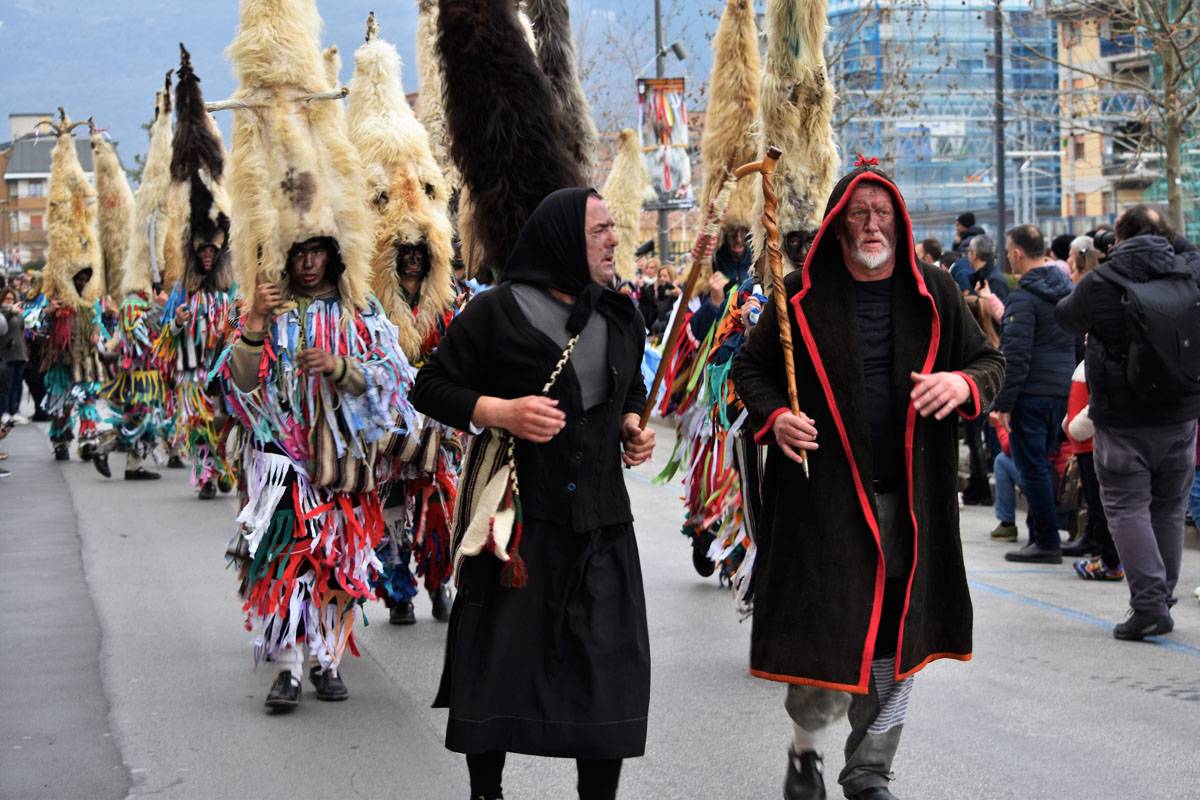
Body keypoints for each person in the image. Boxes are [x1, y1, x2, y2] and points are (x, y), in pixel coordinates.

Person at [731, 162, 1004, 800]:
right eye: (859, 213)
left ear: (901, 222)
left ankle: (869, 770)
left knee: (896, 638)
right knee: (827, 635)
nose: (872, 224)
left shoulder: (935, 292)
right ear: (837, 222)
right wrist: (776, 416)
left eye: (883, 212)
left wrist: (961, 383)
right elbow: (750, 371)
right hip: (823, 501)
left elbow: (990, 362)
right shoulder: (797, 296)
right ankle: (806, 748)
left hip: (909, 500)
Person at [411, 189, 655, 800]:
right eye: (600, 229)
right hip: (519, 528)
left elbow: (629, 388)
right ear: (562, 239)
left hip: (602, 529)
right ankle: (485, 793)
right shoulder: (497, 312)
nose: (613, 240)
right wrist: (500, 410)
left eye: (612, 229)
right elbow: (429, 385)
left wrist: (631, 425)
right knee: (498, 671)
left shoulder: (623, 315)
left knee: (606, 678)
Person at [1055, 205, 1200, 639]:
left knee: (1127, 507)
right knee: (1169, 508)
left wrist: (1110, 259)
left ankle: (1150, 604)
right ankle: (1162, 596)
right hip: (1180, 413)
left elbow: (1066, 316)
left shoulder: (1103, 281)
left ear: (1118, 237)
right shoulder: (1188, 270)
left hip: (1122, 419)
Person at [155, 48, 240, 498]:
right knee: (199, 425)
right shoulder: (183, 295)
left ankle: (223, 470)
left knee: (225, 422)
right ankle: (206, 476)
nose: (207, 256)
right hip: (193, 372)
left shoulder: (227, 294)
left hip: (220, 373)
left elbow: (242, 325)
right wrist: (178, 324)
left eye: (213, 250)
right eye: (201, 250)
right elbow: (165, 335)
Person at [993, 224, 1076, 564]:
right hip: (1063, 391)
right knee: (1046, 464)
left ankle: (1045, 539)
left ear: (1016, 253)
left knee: (1032, 468)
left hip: (1032, 394)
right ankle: (1041, 532)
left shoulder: (1024, 298)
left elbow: (1015, 355)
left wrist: (1003, 403)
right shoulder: (1067, 291)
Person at [0, 289, 27, 422]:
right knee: (6, 385)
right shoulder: (3, 313)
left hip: (19, 354)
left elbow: (22, 330)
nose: (10, 302)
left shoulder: (19, 314)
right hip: (6, 354)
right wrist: (10, 313)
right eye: (7, 299)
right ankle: (4, 411)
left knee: (17, 384)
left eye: (12, 299)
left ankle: (14, 410)